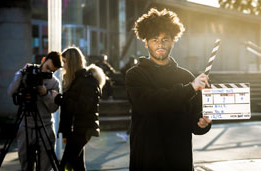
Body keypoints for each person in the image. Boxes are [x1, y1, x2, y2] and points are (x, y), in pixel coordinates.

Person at [125, 8, 212, 170]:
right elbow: (149, 104)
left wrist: (202, 123)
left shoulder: (186, 76)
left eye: (165, 39)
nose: (160, 44)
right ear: (146, 42)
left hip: (179, 159)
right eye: (154, 39)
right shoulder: (135, 75)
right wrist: (189, 88)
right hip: (146, 158)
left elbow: (196, 117)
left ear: (173, 41)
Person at [7, 51, 62, 171]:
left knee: (45, 167)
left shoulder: (54, 82)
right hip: (26, 125)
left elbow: (54, 108)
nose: (48, 72)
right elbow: (11, 92)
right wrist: (21, 74)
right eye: (47, 67)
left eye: (52, 71)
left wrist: (45, 93)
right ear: (43, 60)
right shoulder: (26, 72)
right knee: (26, 166)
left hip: (45, 127)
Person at [53, 47, 105, 171]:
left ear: (72, 62)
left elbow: (81, 108)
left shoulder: (87, 81)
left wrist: (59, 99)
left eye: (64, 62)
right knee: (76, 164)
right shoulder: (76, 80)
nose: (63, 66)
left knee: (66, 164)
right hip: (76, 130)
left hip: (82, 130)